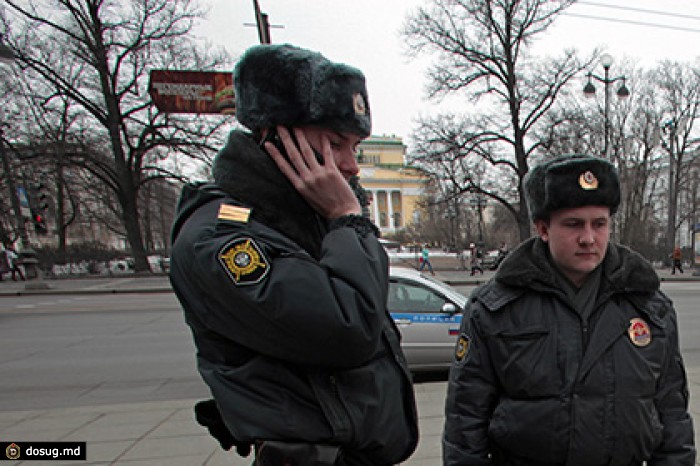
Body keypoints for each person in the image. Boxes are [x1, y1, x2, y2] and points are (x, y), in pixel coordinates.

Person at [169, 44, 418, 466]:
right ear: (277, 134)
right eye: (337, 143)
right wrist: (347, 218)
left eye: (356, 147)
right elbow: (349, 327)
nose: (351, 165)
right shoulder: (221, 237)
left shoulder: (304, 221)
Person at [443, 155, 695, 465]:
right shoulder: (493, 310)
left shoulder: (650, 308)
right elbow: (465, 427)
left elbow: (673, 422)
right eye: (574, 224)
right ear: (543, 229)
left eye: (599, 224)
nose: (589, 238)